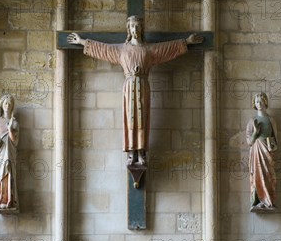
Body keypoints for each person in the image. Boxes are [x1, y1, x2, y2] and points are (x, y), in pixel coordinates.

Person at [67, 15, 203, 166]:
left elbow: (167, 48)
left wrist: (187, 42)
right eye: (132, 26)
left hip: (143, 86)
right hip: (129, 88)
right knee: (130, 119)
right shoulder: (121, 50)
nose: (135, 29)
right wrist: (81, 42)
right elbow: (103, 49)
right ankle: (132, 152)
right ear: (128, 29)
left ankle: (141, 152)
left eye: (138, 26)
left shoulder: (148, 50)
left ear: (141, 28)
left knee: (143, 119)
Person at [246, 92, 278, 212]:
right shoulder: (252, 120)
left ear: (265, 102)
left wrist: (272, 145)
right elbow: (249, 141)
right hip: (256, 150)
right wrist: (255, 132)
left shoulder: (271, 120)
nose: (259, 104)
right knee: (257, 174)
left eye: (261, 101)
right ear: (254, 103)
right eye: (257, 101)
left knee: (269, 174)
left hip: (267, 150)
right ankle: (258, 201)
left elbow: (276, 139)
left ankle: (268, 200)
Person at [0, 94, 19, 212]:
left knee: (8, 175)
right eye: (5, 103)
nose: (7, 106)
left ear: (12, 107)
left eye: (9, 104)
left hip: (9, 154)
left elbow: (14, 141)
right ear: (1, 105)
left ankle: (8, 201)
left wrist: (10, 128)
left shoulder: (14, 122)